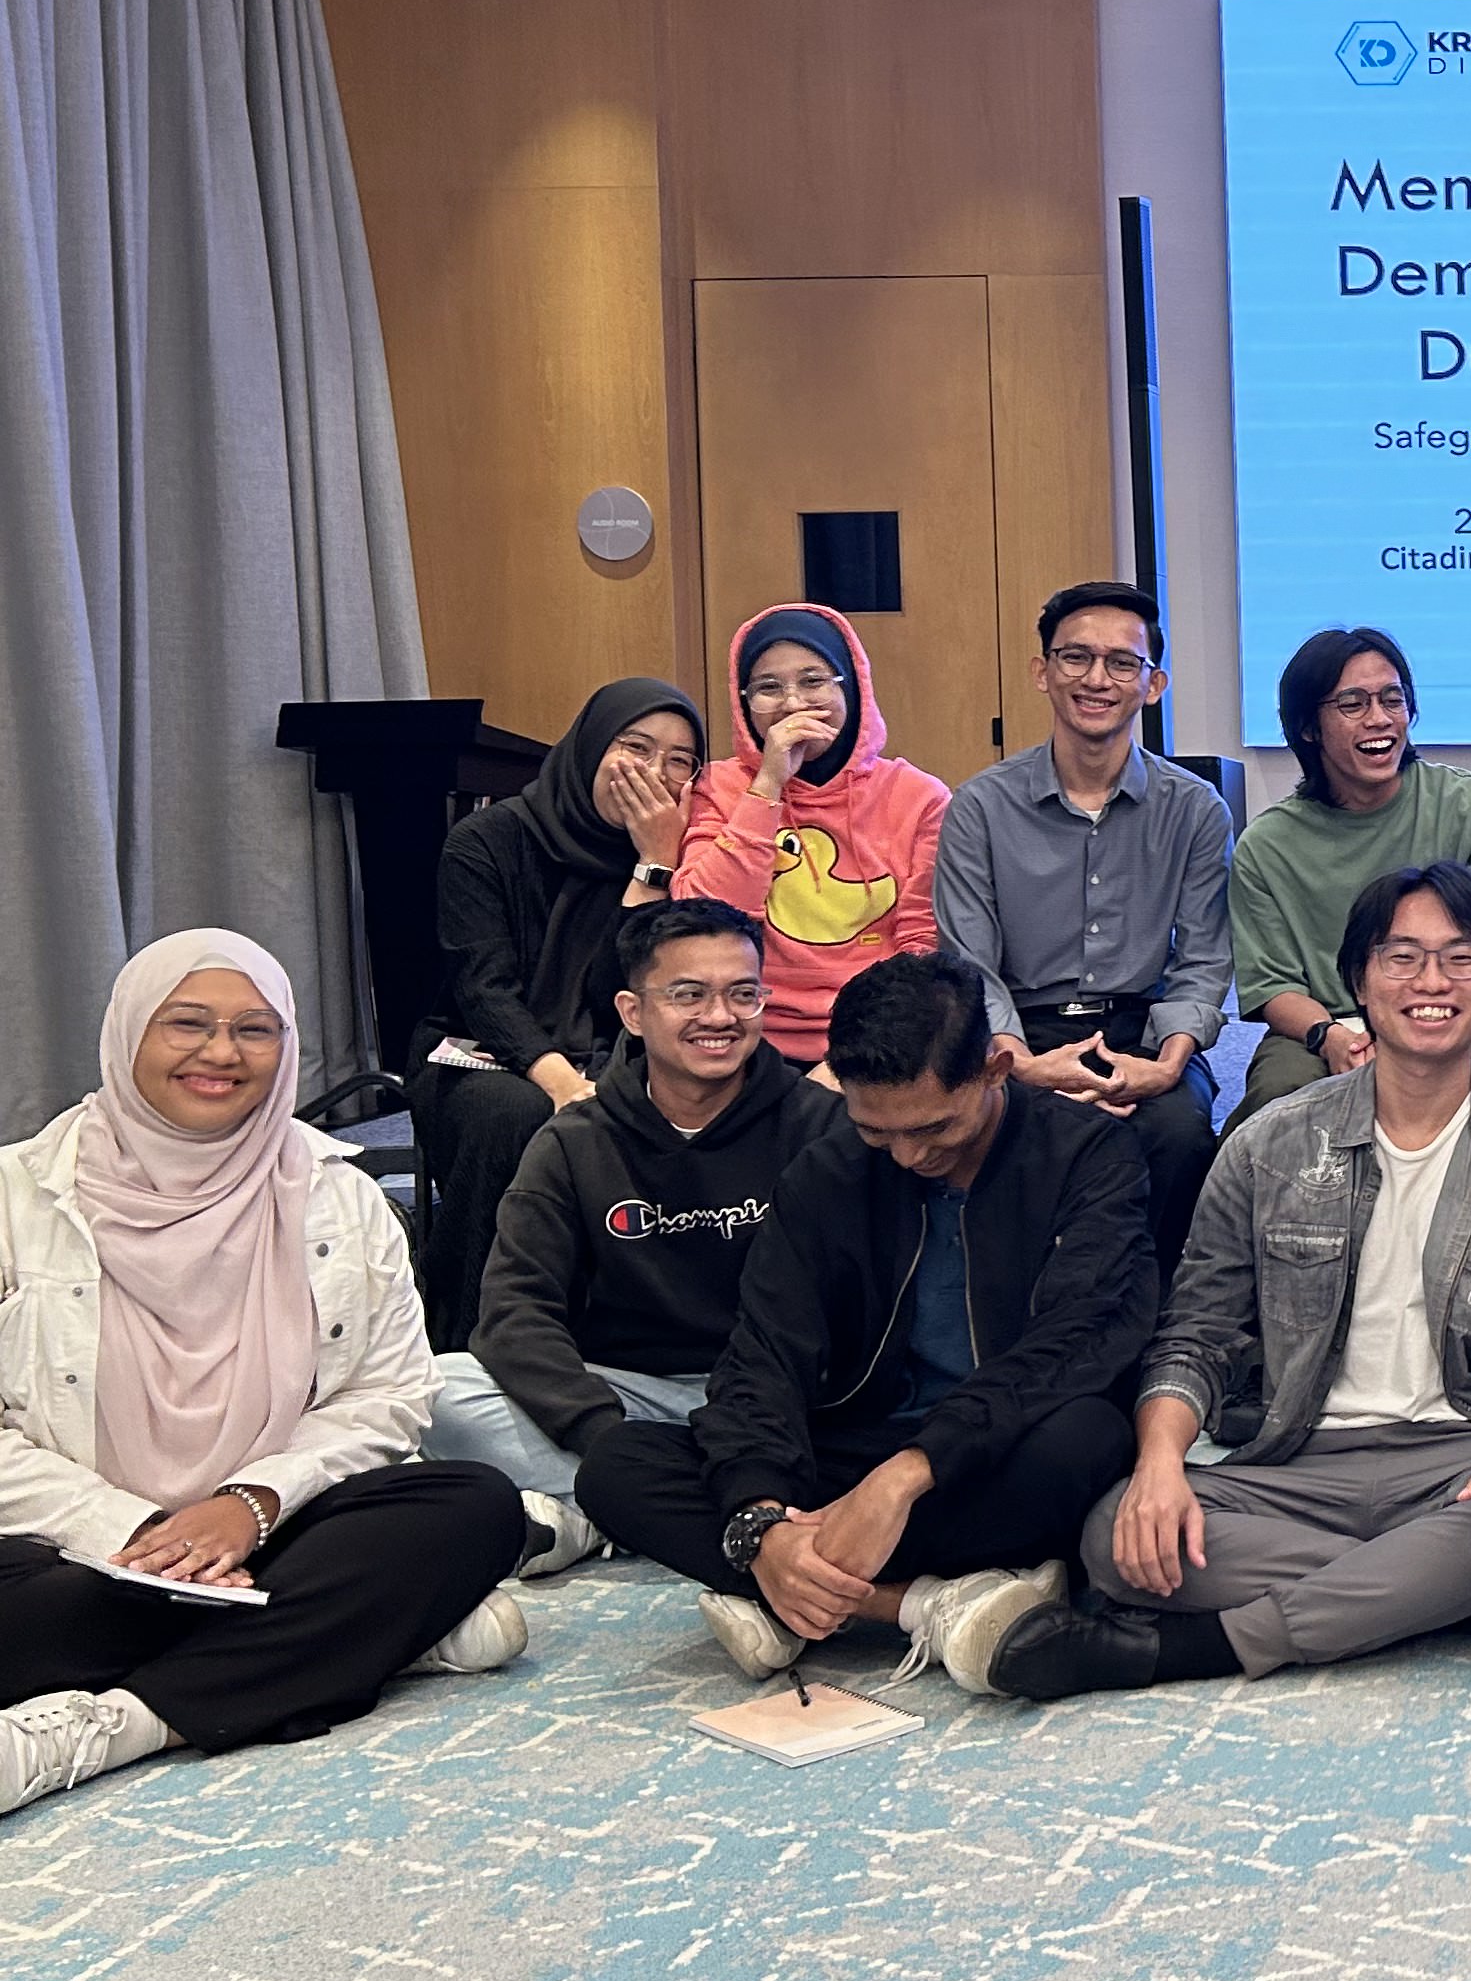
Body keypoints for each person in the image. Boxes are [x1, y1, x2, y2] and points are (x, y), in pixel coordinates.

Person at [990, 862, 1471, 1699]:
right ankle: (1458, 1597)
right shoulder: (1269, 1145)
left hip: (1463, 1459)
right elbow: (1197, 1334)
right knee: (1118, 1532)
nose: (1432, 983)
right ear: (1358, 981)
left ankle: (1186, 1650)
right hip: (1298, 1461)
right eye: (1402, 959)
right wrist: (1158, 1462)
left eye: (1461, 958)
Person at [2, 933, 530, 1823]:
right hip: (73, 1545)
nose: (221, 1053)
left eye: (255, 1029)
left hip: (278, 1527)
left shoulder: (338, 1195)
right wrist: (143, 1532)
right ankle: (369, 1636)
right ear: (128, 1032)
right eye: (188, 1024)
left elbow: (391, 1395)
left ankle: (123, 1725)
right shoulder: (15, 1198)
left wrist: (246, 1506)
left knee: (475, 1506)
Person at [575, 953, 1152, 1693]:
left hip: (996, 1448)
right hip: (858, 1446)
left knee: (1088, 1442)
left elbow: (1077, 1345)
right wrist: (762, 1525)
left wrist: (908, 1475)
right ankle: (917, 1604)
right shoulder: (829, 1174)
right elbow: (760, 1360)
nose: (910, 1155)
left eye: (934, 1127)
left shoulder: (1087, 1156)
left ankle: (799, 1603)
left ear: (995, 1068)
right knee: (620, 1464)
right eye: (878, 1132)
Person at [432, 900, 854, 1576]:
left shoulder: (826, 1129)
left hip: (781, 1400)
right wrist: (605, 1439)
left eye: (742, 994)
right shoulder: (575, 1141)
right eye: (689, 995)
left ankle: (612, 1517)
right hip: (636, 1399)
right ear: (634, 1012)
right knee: (436, 1388)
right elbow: (514, 1314)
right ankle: (652, 1506)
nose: (719, 1017)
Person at [936, 581, 1235, 1273]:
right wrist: (1020, 1063)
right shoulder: (980, 808)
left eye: (1121, 663)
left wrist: (1166, 1065)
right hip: (1020, 1031)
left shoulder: (1195, 810)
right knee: (1004, 1130)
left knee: (1181, 1133)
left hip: (1143, 1031)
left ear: (1153, 684)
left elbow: (1202, 959)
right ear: (1042, 672)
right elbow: (969, 963)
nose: (1097, 679)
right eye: (1075, 657)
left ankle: (1150, 1313)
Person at [412, 676, 704, 1351]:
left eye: (678, 760)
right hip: (478, 1051)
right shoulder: (486, 840)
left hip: (608, 1049)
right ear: (592, 744)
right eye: (635, 747)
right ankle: (468, 1341)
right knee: (511, 1114)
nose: (653, 773)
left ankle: (632, 1342)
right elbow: (483, 990)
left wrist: (654, 865)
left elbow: (617, 997)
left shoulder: (676, 852)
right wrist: (562, 1085)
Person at [1229, 626, 1471, 1120]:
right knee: (1277, 1097)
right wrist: (1331, 1037)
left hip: (1454, 1010)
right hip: (1324, 1025)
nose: (1380, 719)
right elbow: (1272, 986)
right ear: (1309, 727)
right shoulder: (1267, 846)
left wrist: (1421, 1024)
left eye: (1393, 699)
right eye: (1353, 704)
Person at [674, 605, 947, 1062]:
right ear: (743, 704)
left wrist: (856, 1055)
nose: (794, 703)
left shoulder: (920, 798)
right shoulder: (718, 786)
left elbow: (921, 945)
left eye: (814, 681)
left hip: (878, 1038)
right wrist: (766, 786)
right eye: (768, 688)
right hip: (746, 1036)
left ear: (853, 687)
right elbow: (706, 923)